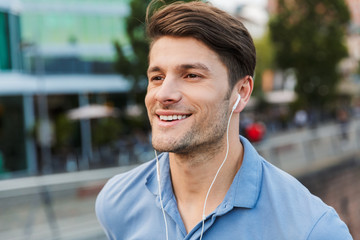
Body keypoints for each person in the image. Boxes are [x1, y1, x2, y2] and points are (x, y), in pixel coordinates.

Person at [96, 1, 353, 239]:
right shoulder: (117, 202)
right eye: (157, 77)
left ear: (241, 93)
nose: (163, 94)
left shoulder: (312, 228)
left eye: (191, 75)